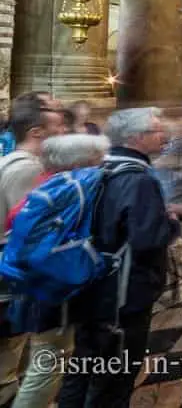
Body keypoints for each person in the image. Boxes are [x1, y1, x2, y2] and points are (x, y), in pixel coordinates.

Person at [58, 108, 182, 408]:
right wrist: (172, 220)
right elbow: (148, 239)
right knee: (116, 377)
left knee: (82, 367)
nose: (163, 135)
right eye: (157, 130)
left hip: (90, 282)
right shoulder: (138, 178)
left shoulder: (99, 166)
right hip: (124, 294)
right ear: (136, 137)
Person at [9, 133, 110, 408]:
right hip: (54, 290)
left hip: (30, 283)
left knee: (38, 355)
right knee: (47, 364)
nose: (103, 163)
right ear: (84, 161)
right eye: (98, 158)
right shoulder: (75, 188)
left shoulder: (46, 186)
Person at [0, 92, 65, 405]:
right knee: (35, 359)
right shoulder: (26, 170)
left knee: (11, 358)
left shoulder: (17, 163)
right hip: (18, 279)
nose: (63, 123)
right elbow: (30, 234)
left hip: (13, 276)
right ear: (37, 130)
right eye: (55, 114)